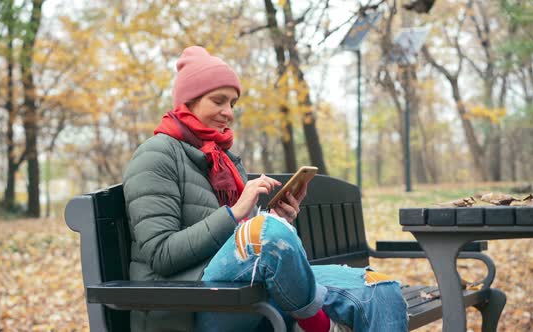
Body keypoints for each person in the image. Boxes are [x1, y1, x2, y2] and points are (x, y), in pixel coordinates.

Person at [122, 46, 408, 332]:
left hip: (243, 291)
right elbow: (160, 254)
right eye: (218, 101)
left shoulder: (224, 160)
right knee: (265, 233)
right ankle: (321, 328)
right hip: (189, 307)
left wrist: (280, 220)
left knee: (380, 287)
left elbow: (243, 242)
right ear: (189, 102)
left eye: (232, 103)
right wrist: (238, 215)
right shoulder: (156, 155)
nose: (228, 113)